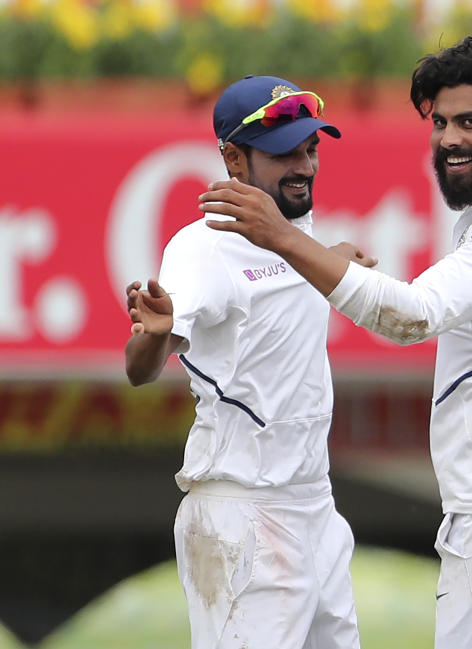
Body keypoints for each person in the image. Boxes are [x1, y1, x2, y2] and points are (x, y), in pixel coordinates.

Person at [200, 37, 472, 649]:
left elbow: (412, 317)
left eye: (470, 121)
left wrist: (284, 239)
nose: (449, 139)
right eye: (439, 122)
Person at [124, 75, 376, 649]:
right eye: (284, 153)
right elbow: (140, 368)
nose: (305, 166)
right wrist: (154, 334)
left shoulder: (297, 234)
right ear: (234, 158)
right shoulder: (203, 246)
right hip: (244, 514)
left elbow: (284, 276)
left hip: (316, 505)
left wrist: (335, 260)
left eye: (311, 149)